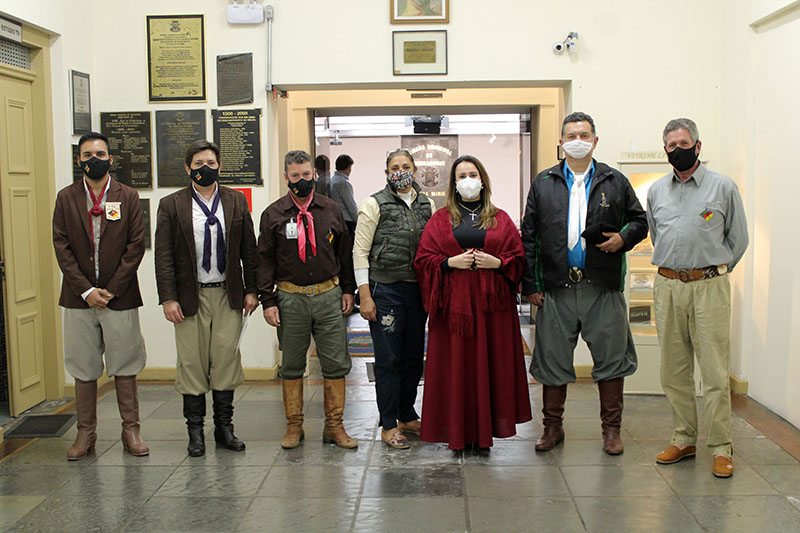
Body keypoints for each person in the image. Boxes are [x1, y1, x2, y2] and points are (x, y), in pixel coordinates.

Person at [521, 112, 647, 455]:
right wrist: (531, 285)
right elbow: (528, 236)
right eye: (571, 134)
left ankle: (611, 431)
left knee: (611, 359)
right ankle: (552, 428)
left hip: (602, 286)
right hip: (555, 288)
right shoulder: (543, 182)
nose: (578, 139)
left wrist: (623, 239)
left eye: (584, 134)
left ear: (595, 140)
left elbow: (639, 221)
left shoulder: (614, 180)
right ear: (560, 142)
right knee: (552, 360)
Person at [648, 118, 748, 478]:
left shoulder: (723, 187)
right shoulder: (657, 191)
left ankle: (721, 446)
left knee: (715, 370)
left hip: (710, 286)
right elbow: (658, 234)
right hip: (669, 286)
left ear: (698, 146)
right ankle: (683, 438)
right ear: (665, 151)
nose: (678, 149)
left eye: (684, 143)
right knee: (674, 370)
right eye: (672, 145)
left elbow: (738, 240)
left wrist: (713, 272)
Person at [415, 155, 531, 450]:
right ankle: (457, 431)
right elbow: (423, 259)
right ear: (454, 184)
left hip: (494, 309)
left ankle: (485, 432)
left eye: (473, 174)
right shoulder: (440, 219)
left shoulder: (500, 218)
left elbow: (518, 259)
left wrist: (498, 262)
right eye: (462, 175)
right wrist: (449, 262)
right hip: (454, 309)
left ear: (483, 180)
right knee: (456, 369)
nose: (468, 180)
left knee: (491, 367)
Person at [154, 140, 258, 457]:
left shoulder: (236, 201)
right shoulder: (171, 204)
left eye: (210, 162)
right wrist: (168, 298)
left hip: (228, 294)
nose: (205, 168)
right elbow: (163, 256)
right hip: (189, 296)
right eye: (198, 163)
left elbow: (249, 252)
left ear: (219, 166)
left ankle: (224, 429)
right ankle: (195, 431)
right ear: (188, 168)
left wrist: (252, 290)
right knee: (191, 363)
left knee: (226, 359)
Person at [52, 131, 149, 460]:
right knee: (83, 366)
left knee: (125, 364)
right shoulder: (66, 197)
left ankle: (131, 429)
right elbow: (61, 246)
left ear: (111, 159)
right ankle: (86, 434)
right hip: (79, 297)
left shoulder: (128, 196)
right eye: (88, 155)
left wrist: (111, 288)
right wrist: (87, 290)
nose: (95, 160)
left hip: (119, 296)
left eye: (101, 154)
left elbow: (136, 245)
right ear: (79, 160)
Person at [257, 150, 357, 449]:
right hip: (291, 299)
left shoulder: (331, 209)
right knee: (290, 365)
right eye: (295, 176)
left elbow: (345, 254)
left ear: (314, 173)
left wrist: (348, 290)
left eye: (306, 174)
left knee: (335, 364)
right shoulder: (273, 214)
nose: (301, 180)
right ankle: (293, 426)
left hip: (329, 295)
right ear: (286, 177)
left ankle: (335, 427)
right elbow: (264, 261)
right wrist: (268, 300)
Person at [353, 148, 433, 449]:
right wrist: (365, 295)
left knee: (413, 358)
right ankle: (388, 424)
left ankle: (406, 413)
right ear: (387, 173)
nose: (401, 171)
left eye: (406, 166)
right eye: (394, 167)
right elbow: (359, 252)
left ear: (415, 169)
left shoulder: (427, 204)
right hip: (384, 291)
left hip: (417, 292)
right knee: (389, 360)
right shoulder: (374, 204)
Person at [329, 154, 359, 239]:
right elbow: (351, 206)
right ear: (348, 167)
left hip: (336, 220)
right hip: (346, 222)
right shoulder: (343, 183)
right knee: (348, 248)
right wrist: (358, 221)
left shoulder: (333, 180)